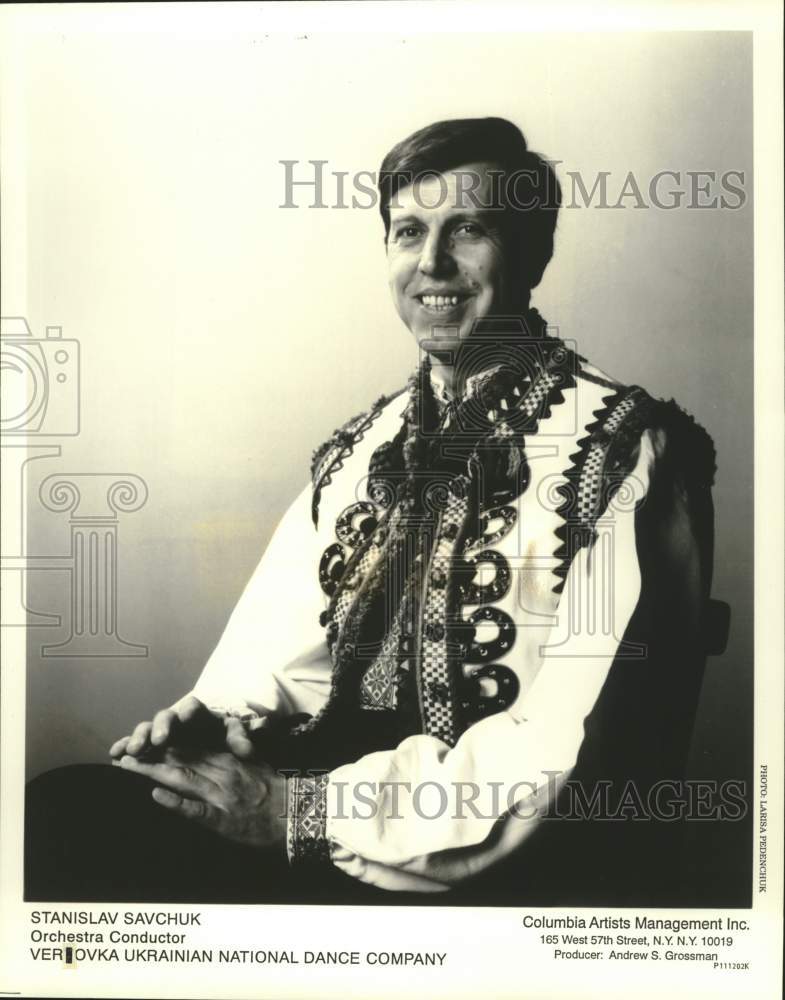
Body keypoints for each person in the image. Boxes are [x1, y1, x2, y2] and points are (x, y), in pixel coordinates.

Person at [25, 117, 720, 905]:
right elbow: (275, 660)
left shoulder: (624, 452)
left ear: (533, 252)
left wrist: (299, 811)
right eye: (408, 232)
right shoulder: (358, 449)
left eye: (469, 229)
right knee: (64, 810)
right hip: (315, 826)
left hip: (486, 873)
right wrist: (215, 722)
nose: (432, 263)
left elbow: (566, 746)